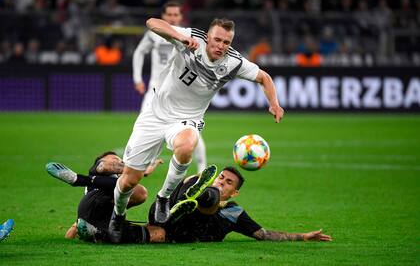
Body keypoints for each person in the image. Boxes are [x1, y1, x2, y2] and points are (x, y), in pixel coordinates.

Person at [112, 16, 285, 242]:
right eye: (217, 40)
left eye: (226, 42)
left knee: (186, 146)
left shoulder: (234, 62)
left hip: (187, 119)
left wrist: (274, 103)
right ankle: (118, 215)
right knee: (129, 181)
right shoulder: (191, 38)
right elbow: (152, 22)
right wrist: (180, 37)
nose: (220, 46)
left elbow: (264, 78)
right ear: (208, 36)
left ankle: (164, 198)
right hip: (155, 115)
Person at [46, 157, 331, 244]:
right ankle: (180, 197)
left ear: (236, 193)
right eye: (221, 178)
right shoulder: (214, 189)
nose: (223, 181)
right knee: (198, 189)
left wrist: (302, 236)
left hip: (172, 232)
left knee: (151, 234)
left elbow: (264, 234)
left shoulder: (234, 212)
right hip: (169, 216)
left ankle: (97, 234)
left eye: (228, 183)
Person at [132, 1, 207, 173]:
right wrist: (137, 79)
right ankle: (142, 164)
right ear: (163, 16)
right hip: (154, 90)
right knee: (144, 128)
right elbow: (139, 52)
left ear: (181, 17)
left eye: (176, 15)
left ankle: (202, 170)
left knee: (190, 132)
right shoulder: (154, 34)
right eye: (169, 15)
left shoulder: (189, 36)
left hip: (177, 92)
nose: (172, 17)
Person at [45, 151, 163, 239]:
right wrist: (136, 168)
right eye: (114, 158)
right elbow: (104, 166)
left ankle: (97, 233)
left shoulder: (120, 182)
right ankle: (78, 179)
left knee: (159, 234)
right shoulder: (98, 169)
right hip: (96, 200)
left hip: (100, 218)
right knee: (139, 191)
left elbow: (76, 226)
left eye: (120, 159)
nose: (119, 160)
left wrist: (70, 236)